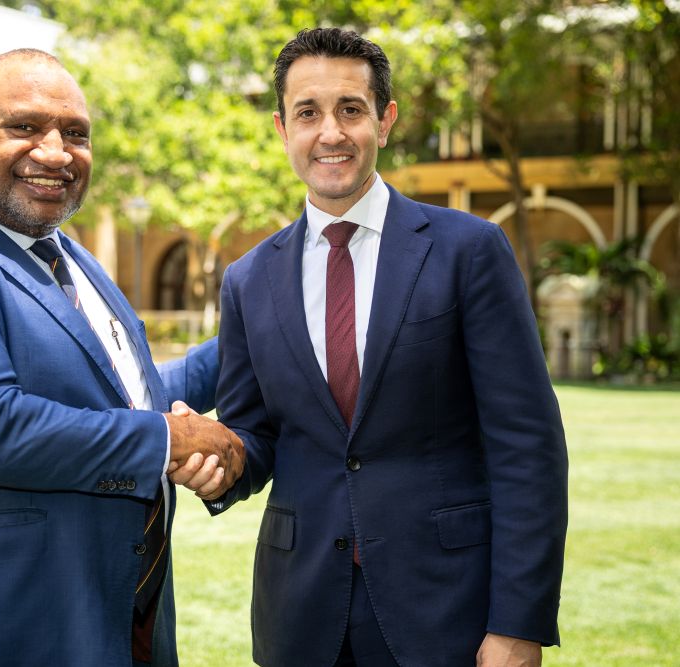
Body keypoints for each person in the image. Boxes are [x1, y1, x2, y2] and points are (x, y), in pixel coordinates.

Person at [174, 28, 569, 666]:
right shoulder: (248, 280)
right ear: (282, 128)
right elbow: (258, 433)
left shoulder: (468, 251)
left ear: (384, 121)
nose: (330, 133)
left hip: (446, 611)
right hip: (300, 617)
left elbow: (528, 446)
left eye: (350, 110)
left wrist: (518, 623)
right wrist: (219, 460)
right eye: (308, 113)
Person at [0, 49, 243, 667]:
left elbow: (127, 394)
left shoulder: (67, 255)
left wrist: (259, 327)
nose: (56, 152)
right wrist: (168, 440)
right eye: (26, 126)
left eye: (76, 134)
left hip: (111, 619)